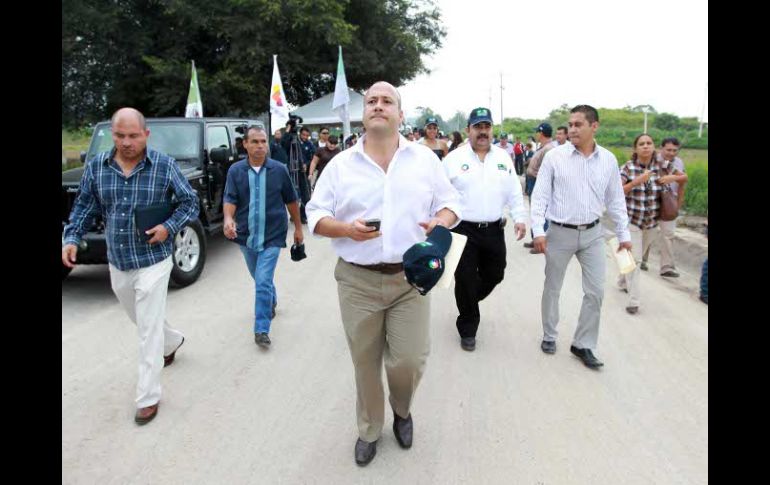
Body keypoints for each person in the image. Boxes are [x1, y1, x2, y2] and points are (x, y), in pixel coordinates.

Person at [306, 81, 461, 466]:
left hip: (410, 280)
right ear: (364, 114)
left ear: (400, 114)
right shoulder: (341, 165)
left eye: (386, 101)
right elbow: (315, 215)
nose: (378, 105)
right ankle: (369, 429)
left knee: (409, 360)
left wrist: (439, 222)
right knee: (365, 361)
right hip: (357, 280)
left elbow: (452, 204)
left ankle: (403, 410)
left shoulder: (425, 160)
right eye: (371, 100)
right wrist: (345, 229)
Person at [62, 108, 199, 425]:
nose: (126, 142)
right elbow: (85, 204)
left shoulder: (164, 166)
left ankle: (148, 397)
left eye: (133, 136)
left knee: (147, 330)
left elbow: (189, 201)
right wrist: (72, 237)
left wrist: (168, 226)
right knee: (139, 317)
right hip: (118, 260)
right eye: (120, 135)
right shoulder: (97, 167)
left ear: (146, 135)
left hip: (154, 259)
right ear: (113, 134)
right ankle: (172, 341)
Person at [530, 105, 631, 369]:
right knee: (552, 287)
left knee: (596, 292)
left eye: (578, 124)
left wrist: (624, 234)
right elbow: (539, 197)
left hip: (593, 235)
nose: (572, 129)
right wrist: (538, 231)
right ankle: (550, 335)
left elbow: (616, 200)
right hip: (559, 233)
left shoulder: (608, 160)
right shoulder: (555, 157)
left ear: (594, 126)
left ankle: (583, 344)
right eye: (570, 124)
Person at [443, 107, 527, 351]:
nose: (482, 132)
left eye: (486, 127)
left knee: (496, 273)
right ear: (468, 130)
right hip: (462, 229)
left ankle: (467, 300)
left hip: (493, 229)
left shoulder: (503, 157)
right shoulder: (453, 160)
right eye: (477, 127)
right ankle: (468, 328)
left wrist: (520, 217)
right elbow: (438, 193)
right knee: (466, 278)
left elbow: (513, 191)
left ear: (491, 129)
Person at [223, 124, 303, 347]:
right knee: (259, 277)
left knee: (262, 279)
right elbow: (230, 199)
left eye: (263, 141)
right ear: (245, 144)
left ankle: (261, 329)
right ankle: (271, 300)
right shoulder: (235, 171)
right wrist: (228, 219)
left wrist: (297, 228)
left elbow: (291, 200)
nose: (260, 146)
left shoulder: (279, 169)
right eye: (255, 142)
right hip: (246, 235)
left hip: (273, 235)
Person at [618, 133, 685, 315]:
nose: (646, 146)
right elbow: (617, 191)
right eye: (641, 144)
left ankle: (623, 280)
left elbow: (683, 177)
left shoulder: (663, 166)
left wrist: (672, 179)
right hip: (631, 221)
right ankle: (634, 301)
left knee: (631, 258)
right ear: (636, 149)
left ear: (654, 147)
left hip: (651, 223)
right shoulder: (628, 168)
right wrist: (638, 181)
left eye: (649, 143)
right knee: (637, 260)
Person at [640, 137, 688, 276]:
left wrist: (678, 204)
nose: (672, 153)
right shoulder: (652, 160)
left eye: (675, 150)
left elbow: (682, 182)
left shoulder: (678, 163)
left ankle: (667, 266)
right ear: (661, 148)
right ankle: (642, 259)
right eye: (668, 150)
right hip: (652, 201)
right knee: (647, 232)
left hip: (669, 202)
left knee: (668, 234)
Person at [523, 123, 557, 252]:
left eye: (537, 132)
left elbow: (546, 171)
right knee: (535, 210)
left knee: (540, 211)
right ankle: (535, 238)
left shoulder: (548, 149)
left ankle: (542, 242)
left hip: (538, 182)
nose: (536, 135)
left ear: (541, 133)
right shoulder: (543, 147)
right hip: (533, 180)